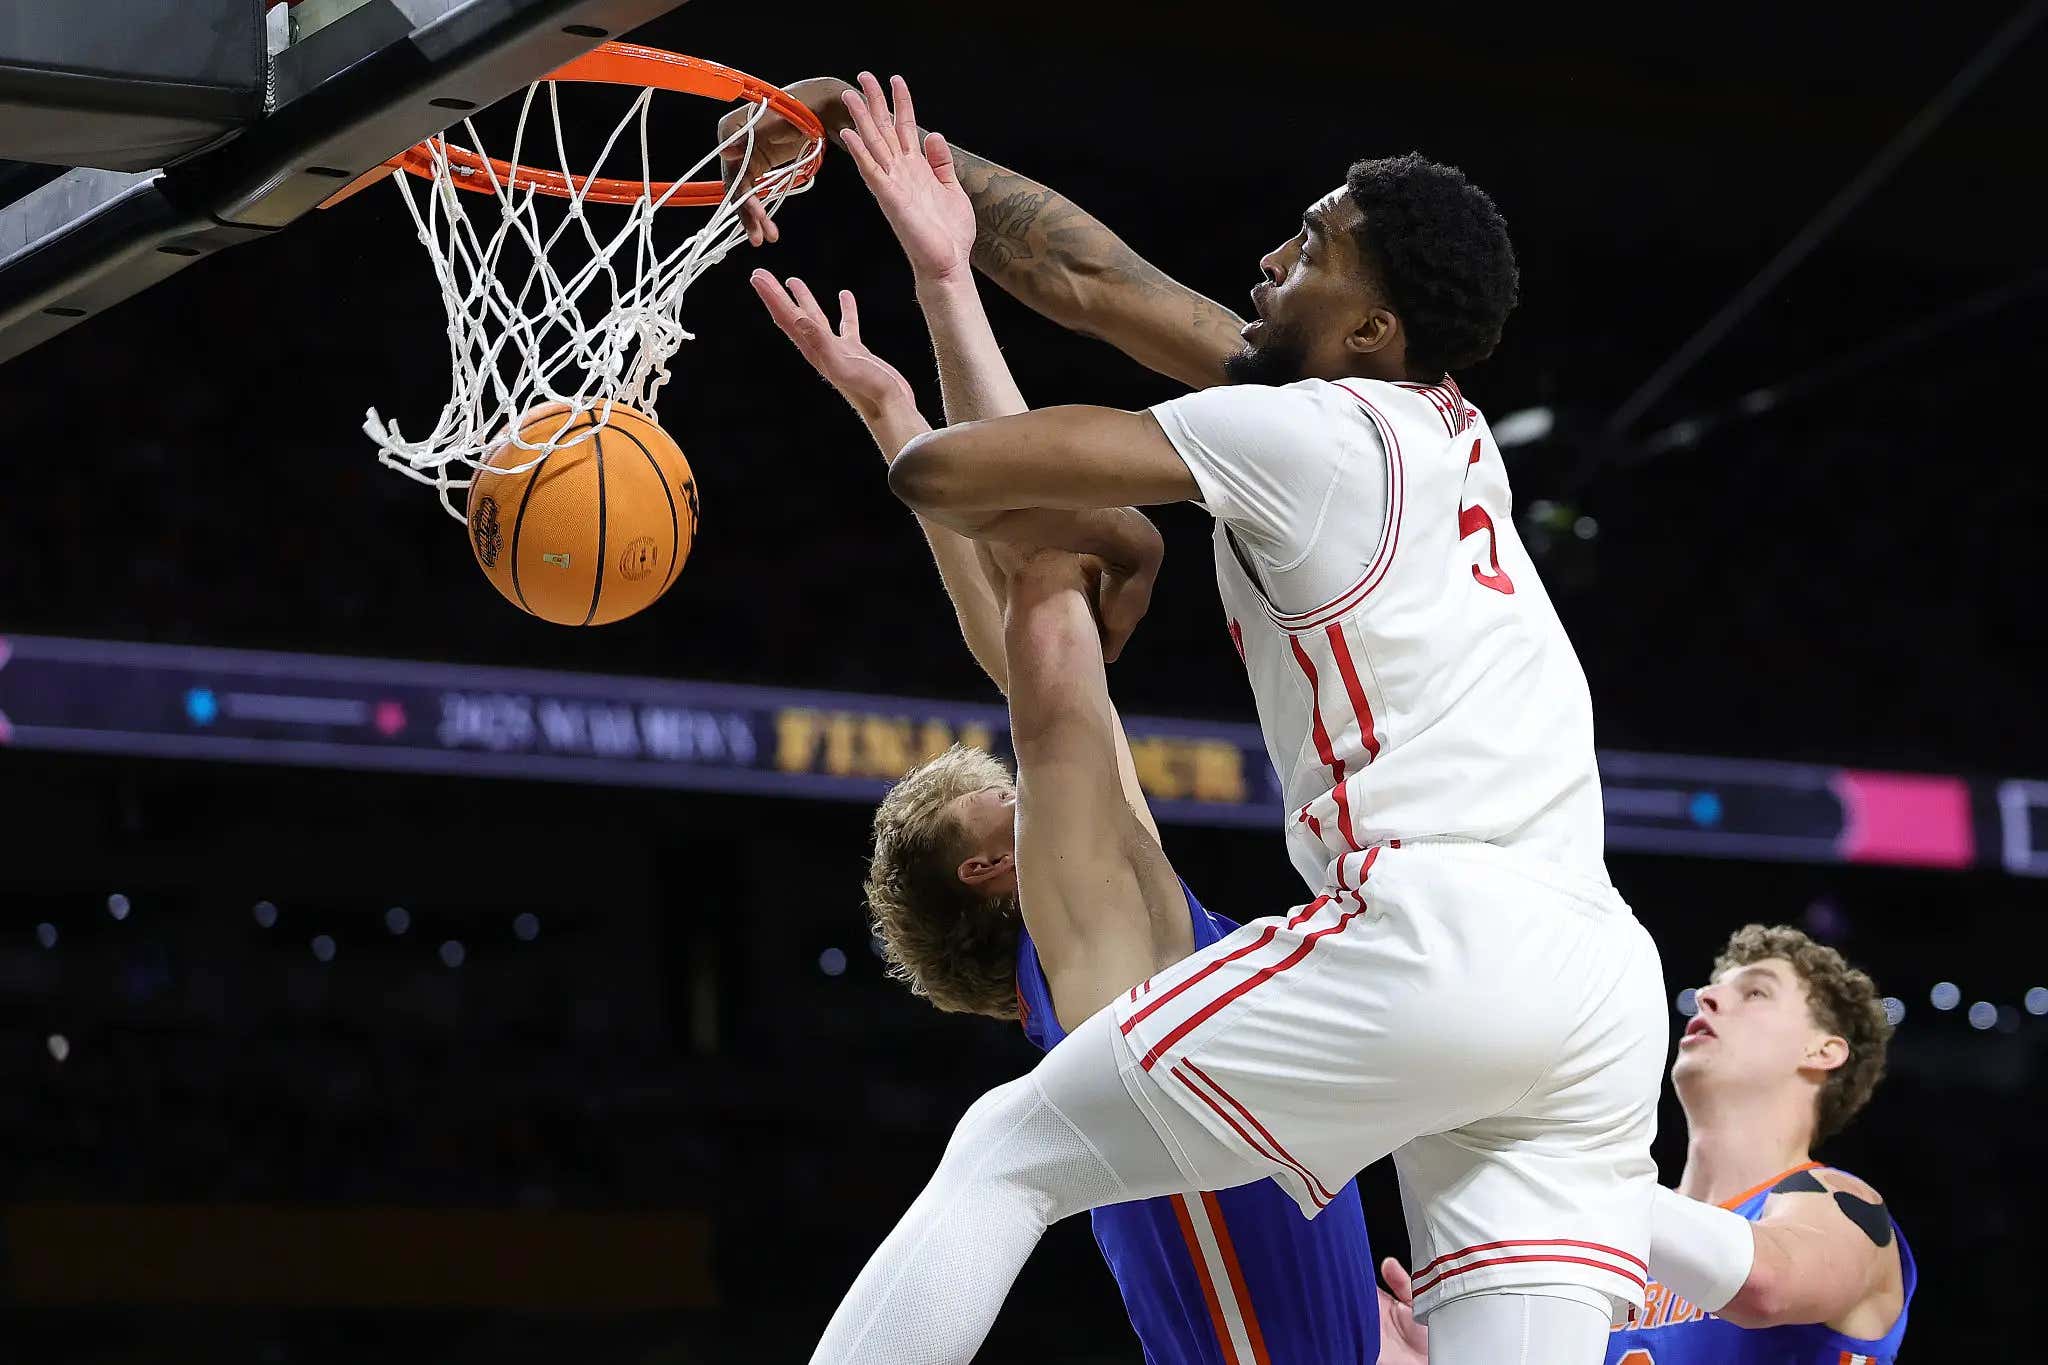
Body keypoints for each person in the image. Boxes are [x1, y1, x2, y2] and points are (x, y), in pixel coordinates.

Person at [737, 75, 1668, 1364]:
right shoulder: (1441, 424)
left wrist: (1091, 517)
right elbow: (1098, 281)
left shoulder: (1306, 437)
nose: (1267, 260)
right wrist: (905, 175)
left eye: (1313, 245)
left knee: (1005, 1150)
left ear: (1371, 326)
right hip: (1602, 983)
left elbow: (939, 480)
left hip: (1443, 938)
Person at [747, 153, 1383, 1365]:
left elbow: (1032, 652)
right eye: (1000, 790)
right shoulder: (1092, 945)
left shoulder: (1125, 956)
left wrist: (900, 402)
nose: (1025, 767)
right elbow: (1046, 647)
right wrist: (942, 286)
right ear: (991, 867)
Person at [1377, 923, 1914, 1364]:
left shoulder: (1844, 1208)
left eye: (1755, 992)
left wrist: (1561, 1171)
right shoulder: (1613, 1217)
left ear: (1823, 1052)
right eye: (1715, 985)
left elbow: (1767, 1283)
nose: (1707, 996)